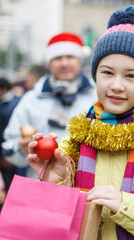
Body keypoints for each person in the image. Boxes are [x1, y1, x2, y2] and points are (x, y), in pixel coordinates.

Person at [27, 6, 134, 239]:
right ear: (95, 76)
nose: (117, 86)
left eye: (131, 76)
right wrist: (55, 185)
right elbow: (52, 229)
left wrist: (128, 208)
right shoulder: (75, 138)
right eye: (107, 73)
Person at [2, 32, 96, 179]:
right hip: (42, 184)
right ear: (49, 63)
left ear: (79, 60)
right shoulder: (32, 99)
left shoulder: (96, 97)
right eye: (58, 58)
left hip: (88, 187)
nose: (64, 63)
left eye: (70, 57)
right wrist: (22, 148)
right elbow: (8, 147)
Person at [0, 77, 21, 209]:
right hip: (11, 152)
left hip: (6, 154)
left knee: (10, 186)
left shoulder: (5, 107)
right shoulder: (17, 101)